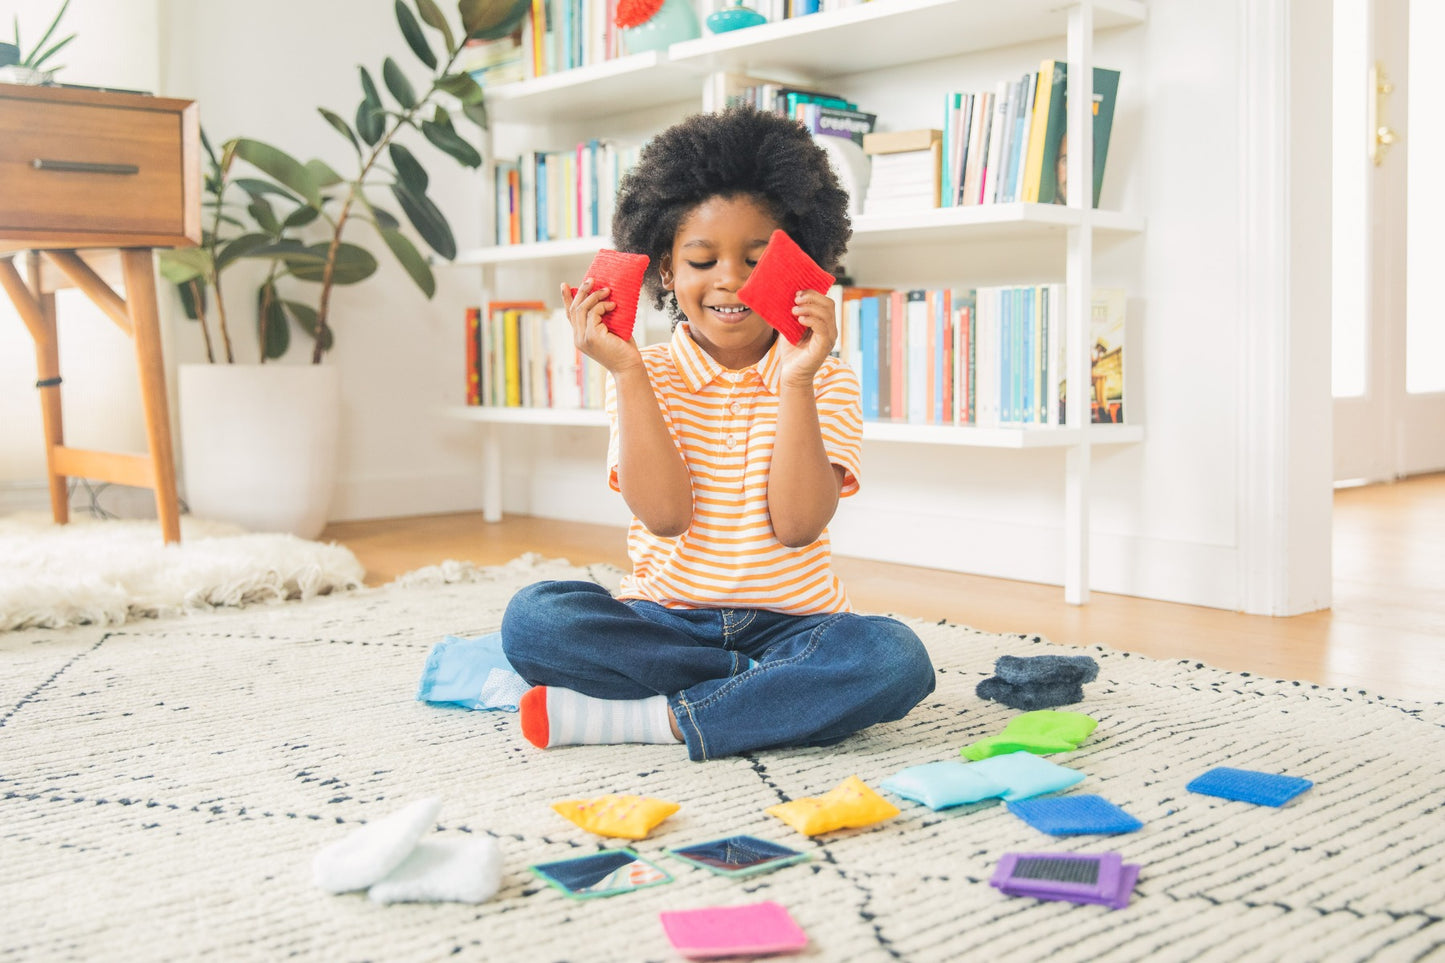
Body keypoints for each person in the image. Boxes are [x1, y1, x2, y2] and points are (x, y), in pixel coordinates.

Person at [500, 105, 937, 762]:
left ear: (798, 265)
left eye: (756, 259)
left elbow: (796, 525)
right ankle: (765, 698)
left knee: (895, 659)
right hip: (663, 622)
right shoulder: (641, 372)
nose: (729, 278)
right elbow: (665, 515)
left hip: (795, 628)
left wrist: (793, 380)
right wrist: (624, 371)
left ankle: (664, 718)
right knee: (536, 617)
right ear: (666, 273)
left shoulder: (826, 378)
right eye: (701, 259)